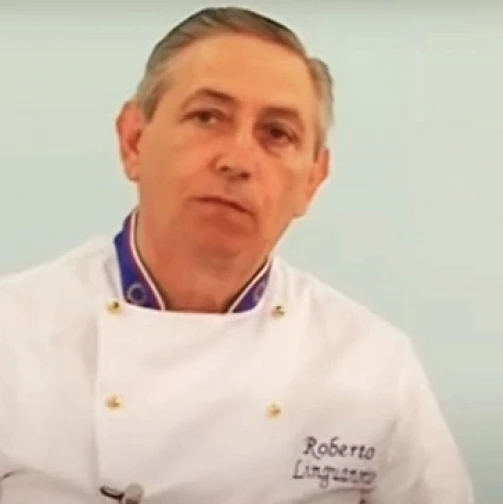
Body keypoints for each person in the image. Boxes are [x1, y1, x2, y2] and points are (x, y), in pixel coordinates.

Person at [0, 6, 474, 504]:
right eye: (208, 117)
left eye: (278, 134)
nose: (238, 160)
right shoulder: (13, 335)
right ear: (134, 141)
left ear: (312, 182)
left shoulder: (374, 368)